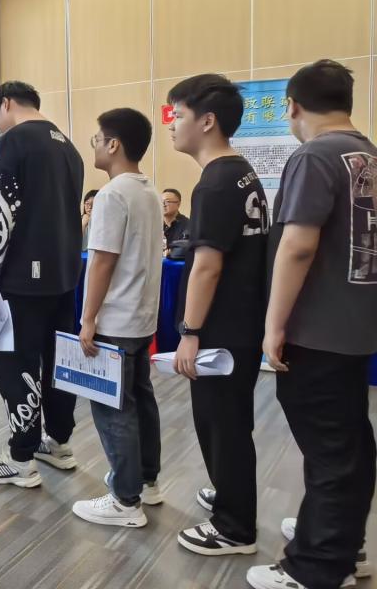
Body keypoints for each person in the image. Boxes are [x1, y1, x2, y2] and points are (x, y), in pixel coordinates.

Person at [246, 60, 377, 589]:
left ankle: (318, 567)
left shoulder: (314, 155)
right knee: (348, 441)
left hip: (316, 329)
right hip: (355, 326)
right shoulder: (368, 154)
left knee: (331, 450)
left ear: (293, 106)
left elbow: (298, 246)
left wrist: (273, 325)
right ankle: (344, 544)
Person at [168, 73, 269, 557]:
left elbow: (207, 265)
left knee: (220, 423)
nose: (172, 125)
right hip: (242, 323)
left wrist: (190, 331)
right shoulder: (240, 171)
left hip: (221, 329)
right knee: (230, 422)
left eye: (178, 115)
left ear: (207, 121)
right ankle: (232, 494)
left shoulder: (215, 183)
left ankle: (234, 527)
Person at [0, 81, 84, 489]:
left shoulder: (13, 141)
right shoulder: (68, 146)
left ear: (5, 104)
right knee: (58, 361)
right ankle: (59, 442)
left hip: (22, 279)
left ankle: (20, 458)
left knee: (15, 362)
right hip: (64, 275)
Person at [69, 109, 163, 527]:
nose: (94, 145)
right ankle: (147, 481)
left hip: (116, 321)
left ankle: (126, 501)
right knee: (141, 400)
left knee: (113, 409)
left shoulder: (111, 195)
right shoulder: (149, 190)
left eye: (97, 139)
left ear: (114, 144)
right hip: (141, 319)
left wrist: (88, 318)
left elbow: (103, 261)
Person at [162, 188, 191, 258]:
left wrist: (172, 252)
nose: (163, 204)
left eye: (167, 201)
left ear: (178, 204)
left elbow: (186, 249)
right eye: (161, 201)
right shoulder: (155, 224)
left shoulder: (188, 225)